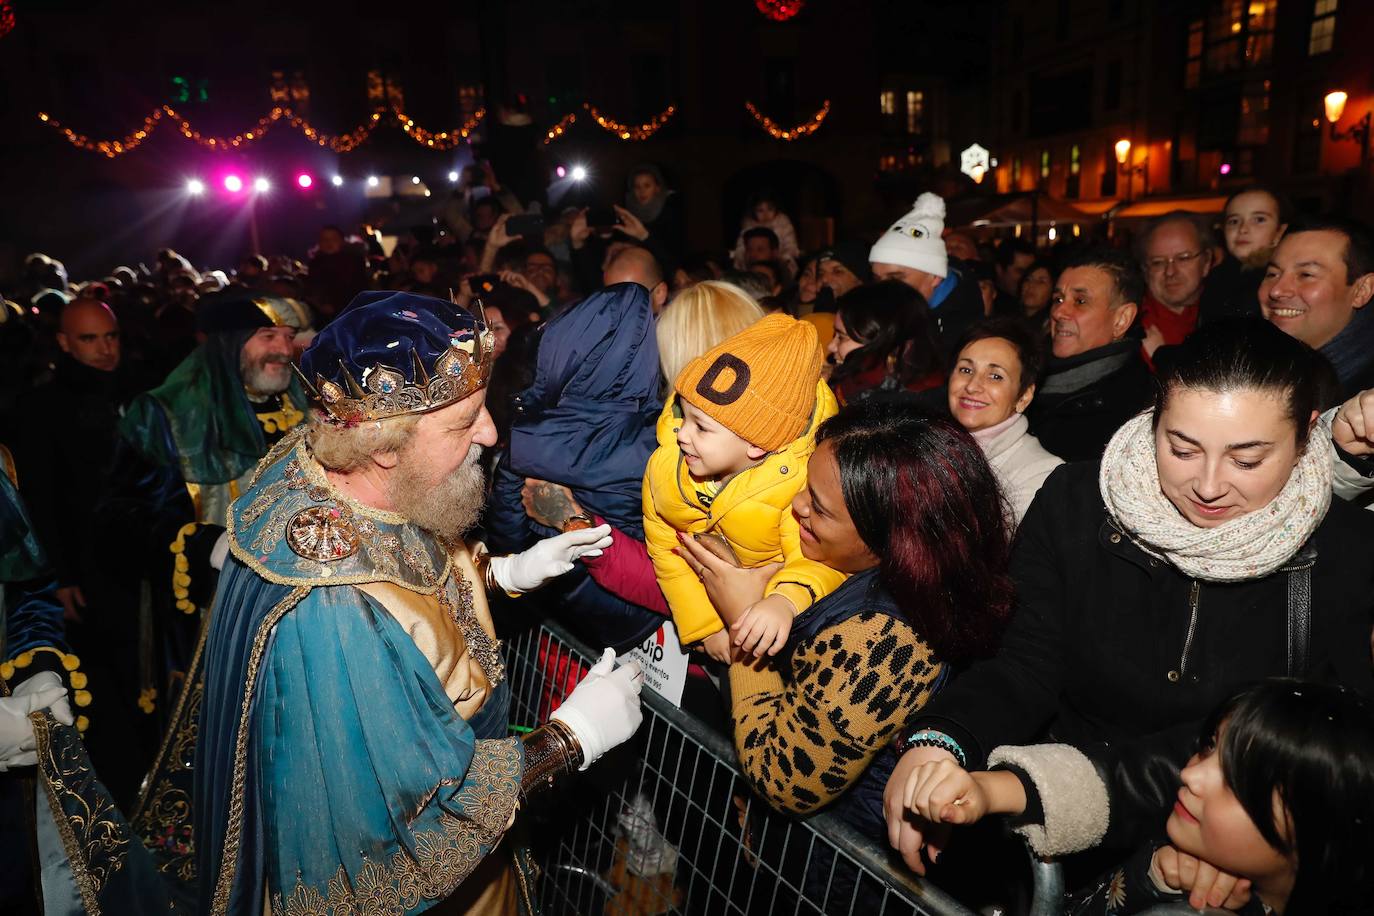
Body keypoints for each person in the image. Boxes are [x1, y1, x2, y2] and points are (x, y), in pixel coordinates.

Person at [883, 319, 1374, 877]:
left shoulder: (1346, 552)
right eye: (1182, 448)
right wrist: (941, 739)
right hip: (1044, 828)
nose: (1209, 485)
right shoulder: (1076, 501)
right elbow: (1023, 663)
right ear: (1154, 419)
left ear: (1307, 432)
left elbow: (1314, 751)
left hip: (1215, 837)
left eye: (1246, 460)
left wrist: (1246, 844)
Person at [674, 403, 1011, 834]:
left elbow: (782, 779)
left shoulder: (887, 641)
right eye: (805, 488)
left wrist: (744, 621)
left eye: (820, 508)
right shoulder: (893, 575)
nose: (797, 506)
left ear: (892, 539)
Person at [900, 679, 1374, 915]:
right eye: (1209, 748)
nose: (1193, 776)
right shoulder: (1172, 856)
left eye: (1237, 780)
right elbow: (1130, 774)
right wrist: (1151, 880)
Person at [99, 290, 311, 715]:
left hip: (303, 619)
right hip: (208, 619)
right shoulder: (166, 413)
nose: (284, 350)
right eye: (267, 335)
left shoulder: (305, 403)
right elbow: (118, 517)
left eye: (289, 336)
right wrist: (204, 545)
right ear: (228, 342)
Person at [643, 313, 846, 662]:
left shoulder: (799, 490)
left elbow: (824, 561)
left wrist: (784, 601)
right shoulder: (666, 468)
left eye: (701, 427)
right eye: (683, 416)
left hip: (781, 637)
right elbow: (664, 551)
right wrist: (705, 627)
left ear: (756, 443)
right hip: (718, 632)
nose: (681, 434)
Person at [12, 299, 150, 802]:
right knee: (106, 679)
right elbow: (40, 500)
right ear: (65, 343)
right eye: (89, 340)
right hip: (86, 564)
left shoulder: (141, 391)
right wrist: (61, 575)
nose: (104, 349)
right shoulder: (39, 407)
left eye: (109, 337)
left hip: (144, 559)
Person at [486, 283, 667, 653]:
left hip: (558, 610)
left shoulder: (527, 434)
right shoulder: (661, 444)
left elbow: (506, 540)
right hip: (637, 623)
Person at [1025, 248, 1153, 461]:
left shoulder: (1132, 414)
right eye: (1058, 299)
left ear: (1121, 320)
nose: (1058, 312)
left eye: (1080, 301)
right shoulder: (1029, 372)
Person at [947, 319, 1062, 524]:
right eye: (966, 370)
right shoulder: (928, 446)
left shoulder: (1042, 475)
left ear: (1024, 396)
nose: (973, 386)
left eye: (995, 376)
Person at [1260, 215, 1374, 403]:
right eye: (1272, 274)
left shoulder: (1363, 405)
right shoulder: (1248, 367)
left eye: (1306, 274)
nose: (1277, 290)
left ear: (1362, 290)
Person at [868, 193, 984, 354]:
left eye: (895, 278)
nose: (882, 290)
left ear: (935, 277)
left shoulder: (966, 333)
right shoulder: (876, 310)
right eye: (877, 278)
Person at [827, 280, 944, 404]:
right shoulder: (853, 391)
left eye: (842, 337)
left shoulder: (887, 408)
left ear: (884, 343)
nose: (831, 346)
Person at [1199, 185, 1289, 325]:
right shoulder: (1216, 278)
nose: (1243, 229)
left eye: (1259, 219)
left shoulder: (1283, 282)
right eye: (1234, 221)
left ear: (1279, 231)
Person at [1137, 211, 1213, 363]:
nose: (1170, 272)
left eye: (1183, 258)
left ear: (1206, 261)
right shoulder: (1130, 330)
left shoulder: (1225, 313)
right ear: (1146, 270)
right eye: (1158, 262)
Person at [619, 163, 685, 264]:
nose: (642, 191)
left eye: (647, 185)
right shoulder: (628, 210)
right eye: (637, 186)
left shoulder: (670, 211)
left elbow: (674, 252)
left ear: (657, 188)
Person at [304, 225, 368, 322]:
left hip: (350, 313)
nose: (329, 243)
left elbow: (357, 287)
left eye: (334, 239)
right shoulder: (315, 263)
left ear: (342, 241)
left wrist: (336, 305)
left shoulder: (354, 261)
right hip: (320, 316)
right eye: (324, 239)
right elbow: (312, 288)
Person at [731, 192, 801, 273]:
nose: (765, 214)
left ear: (776, 209)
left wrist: (782, 259)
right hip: (753, 265)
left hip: (780, 264)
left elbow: (791, 246)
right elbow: (741, 248)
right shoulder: (748, 226)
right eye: (760, 210)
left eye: (770, 209)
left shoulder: (783, 224)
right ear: (753, 211)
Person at [991, 240, 1035, 316]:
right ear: (1000, 270)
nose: (1026, 278)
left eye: (1030, 272)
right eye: (1020, 271)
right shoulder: (990, 306)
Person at [1016, 259, 1054, 332]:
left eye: (1041, 282)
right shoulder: (1009, 317)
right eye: (1028, 279)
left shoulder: (1050, 328)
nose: (1031, 285)